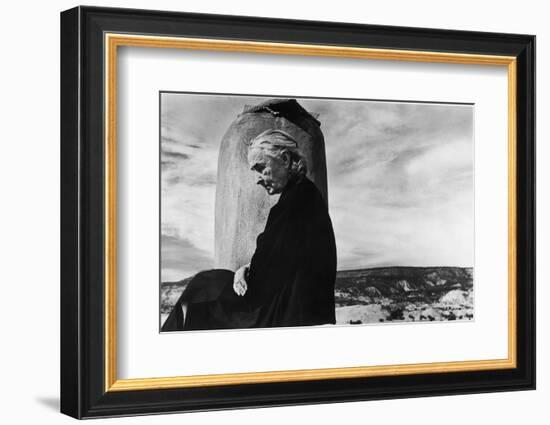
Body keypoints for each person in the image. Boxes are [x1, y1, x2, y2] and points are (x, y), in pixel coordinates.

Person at [161, 129, 337, 331]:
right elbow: (277, 259)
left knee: (201, 288)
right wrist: (246, 268)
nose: (258, 178)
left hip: (285, 314)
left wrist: (243, 273)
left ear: (286, 159)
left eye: (261, 168)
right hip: (294, 307)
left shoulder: (294, 203)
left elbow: (264, 275)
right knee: (207, 284)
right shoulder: (304, 195)